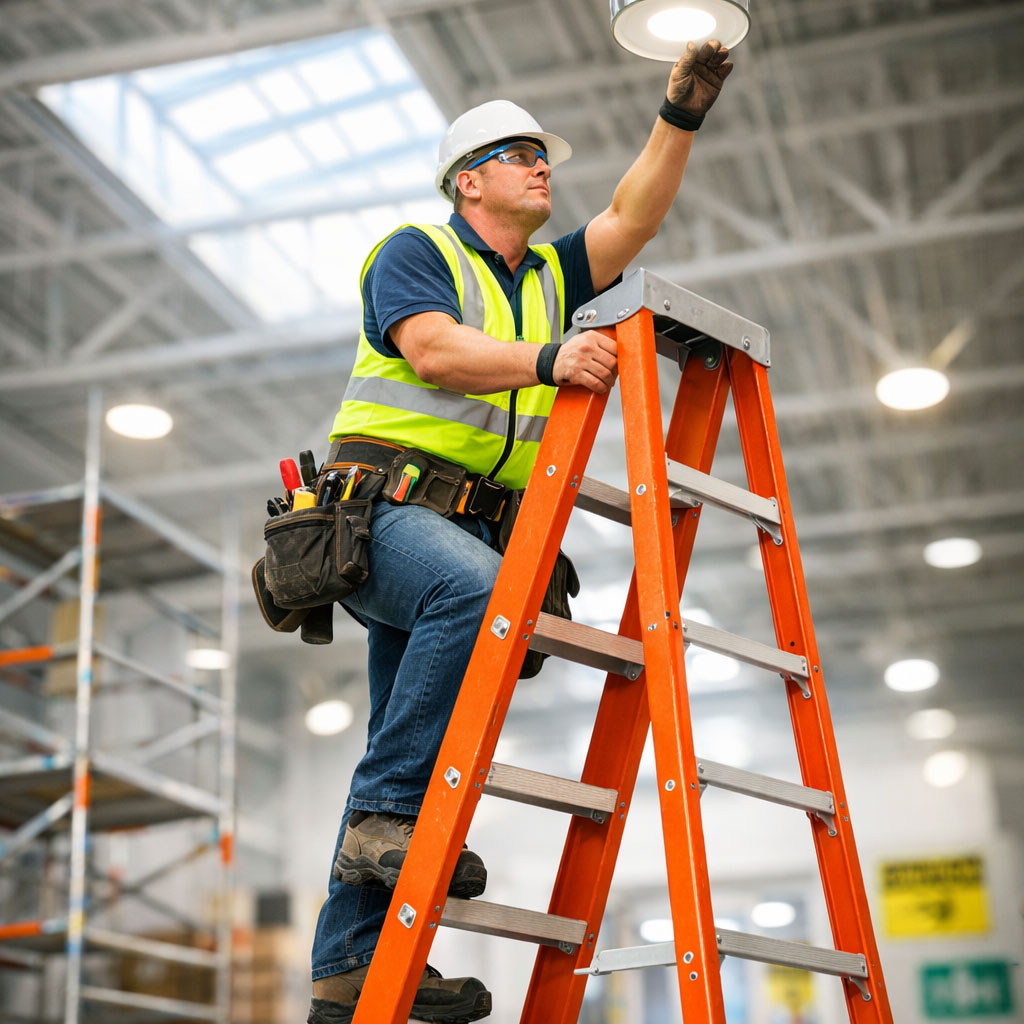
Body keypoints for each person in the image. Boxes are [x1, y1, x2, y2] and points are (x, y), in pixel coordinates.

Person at [307, 39, 734, 1024]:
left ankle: (348, 973)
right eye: (522, 154)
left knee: (396, 743)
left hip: (467, 526)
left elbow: (634, 213)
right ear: (470, 181)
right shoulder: (418, 253)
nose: (544, 166)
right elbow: (436, 351)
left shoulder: (552, 271)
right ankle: (384, 825)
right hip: (381, 514)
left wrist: (681, 113)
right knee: (471, 601)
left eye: (545, 156)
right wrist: (548, 359)